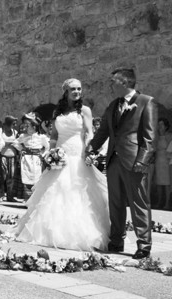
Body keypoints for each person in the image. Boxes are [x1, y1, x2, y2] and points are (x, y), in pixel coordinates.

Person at [7, 79, 110, 251]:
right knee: (55, 190)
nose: (77, 92)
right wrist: (50, 152)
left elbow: (89, 133)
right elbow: (54, 134)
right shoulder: (58, 111)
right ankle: (50, 231)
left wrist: (89, 152)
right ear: (66, 92)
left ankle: (79, 234)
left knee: (76, 191)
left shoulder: (85, 110)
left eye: (79, 89)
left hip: (78, 154)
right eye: (73, 89)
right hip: (60, 156)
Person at [87, 69, 157, 259]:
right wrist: (89, 149)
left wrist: (143, 160)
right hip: (113, 160)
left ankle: (144, 245)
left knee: (139, 202)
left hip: (134, 160)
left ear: (124, 82)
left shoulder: (146, 102)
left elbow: (150, 137)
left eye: (113, 82)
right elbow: (103, 132)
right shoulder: (113, 105)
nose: (110, 85)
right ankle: (117, 241)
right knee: (116, 203)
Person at [11, 112, 50, 202]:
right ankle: (27, 199)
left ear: (34, 126)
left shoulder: (41, 137)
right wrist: (22, 149)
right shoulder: (23, 136)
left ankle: (35, 199)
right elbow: (15, 142)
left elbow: (47, 146)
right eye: (26, 126)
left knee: (36, 177)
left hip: (36, 160)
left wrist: (43, 154)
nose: (27, 128)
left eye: (29, 126)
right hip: (26, 159)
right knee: (26, 176)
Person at [152, 118, 172, 209]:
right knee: (159, 182)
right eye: (158, 125)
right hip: (158, 160)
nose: (159, 127)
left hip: (167, 160)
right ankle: (160, 202)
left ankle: (167, 203)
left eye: (161, 125)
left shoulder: (171, 136)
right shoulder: (155, 136)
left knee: (167, 183)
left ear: (166, 127)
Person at [0, 116, 19, 202]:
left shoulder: (15, 132)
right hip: (3, 155)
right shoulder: (1, 131)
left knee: (11, 176)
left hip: (12, 156)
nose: (15, 125)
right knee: (2, 175)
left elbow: (18, 143)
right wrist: (8, 143)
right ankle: (0, 194)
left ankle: (9, 195)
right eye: (13, 123)